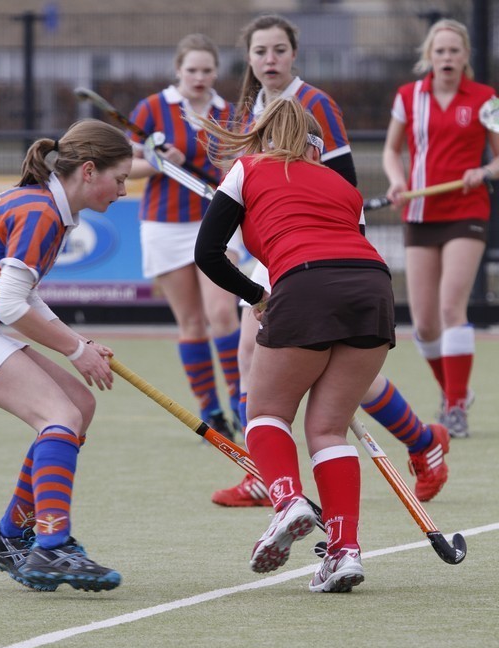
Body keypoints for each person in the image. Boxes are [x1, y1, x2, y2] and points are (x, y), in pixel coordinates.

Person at [211, 13, 449, 508]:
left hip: (310, 242)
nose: (270, 60)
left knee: (317, 363)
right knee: (264, 355)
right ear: (248, 59)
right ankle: (274, 471)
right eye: (260, 52)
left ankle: (420, 441)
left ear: (294, 54)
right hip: (274, 244)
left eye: (279, 50)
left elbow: (340, 181)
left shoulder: (314, 103)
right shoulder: (250, 107)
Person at [195, 96, 396, 592]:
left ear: (264, 139)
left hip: (303, 285)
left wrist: (257, 296)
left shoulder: (246, 169)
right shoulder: (344, 187)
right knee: (328, 431)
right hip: (374, 288)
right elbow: (349, 249)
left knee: (266, 413)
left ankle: (287, 500)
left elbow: (208, 253)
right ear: (316, 149)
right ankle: (344, 552)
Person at [0, 118, 132, 592]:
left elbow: (22, 295)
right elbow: (10, 306)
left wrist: (79, 344)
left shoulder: (48, 207)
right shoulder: (40, 212)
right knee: (60, 415)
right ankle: (50, 544)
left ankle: (10, 536)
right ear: (88, 171)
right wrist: (74, 348)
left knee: (79, 405)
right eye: (119, 179)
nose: (124, 191)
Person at [383, 18, 499, 438]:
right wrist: (398, 181)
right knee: (426, 324)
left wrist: (484, 170)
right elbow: (391, 150)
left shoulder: (486, 99)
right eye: (440, 51)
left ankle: (454, 408)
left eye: (454, 51)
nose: (447, 57)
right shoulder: (408, 96)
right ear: (429, 56)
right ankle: (455, 391)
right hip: (419, 211)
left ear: (465, 56)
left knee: (452, 309)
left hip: (467, 210)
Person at [127, 33, 242, 439]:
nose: (199, 77)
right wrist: (158, 162)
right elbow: (126, 166)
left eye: (206, 70)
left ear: (216, 72)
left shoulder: (228, 113)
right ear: (178, 70)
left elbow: (240, 164)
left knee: (222, 313)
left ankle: (243, 402)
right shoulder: (152, 109)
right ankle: (211, 410)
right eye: (191, 70)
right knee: (191, 321)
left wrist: (227, 161)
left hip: (216, 222)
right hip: (165, 224)